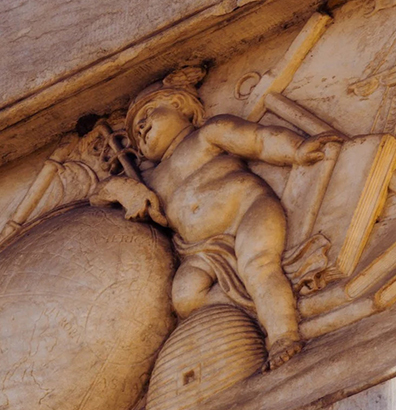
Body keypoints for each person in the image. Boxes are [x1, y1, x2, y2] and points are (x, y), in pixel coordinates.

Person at [91, 69, 341, 370]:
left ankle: (282, 334)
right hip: (199, 250)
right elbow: (98, 195)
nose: (141, 129)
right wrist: (124, 188)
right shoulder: (150, 179)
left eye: (147, 115)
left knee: (259, 266)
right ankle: (249, 305)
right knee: (185, 298)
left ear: (181, 105)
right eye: (135, 134)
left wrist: (297, 150)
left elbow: (259, 141)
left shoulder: (208, 134)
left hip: (248, 210)